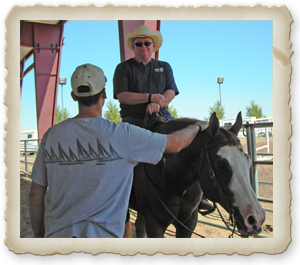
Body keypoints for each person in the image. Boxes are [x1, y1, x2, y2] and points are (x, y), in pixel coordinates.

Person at [29, 63, 202, 238]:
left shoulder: (51, 136)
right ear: (103, 94)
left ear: (74, 96)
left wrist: (38, 237)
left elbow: (35, 195)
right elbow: (176, 144)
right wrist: (199, 126)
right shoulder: (122, 134)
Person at [113, 25, 179, 127]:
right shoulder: (123, 67)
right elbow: (122, 96)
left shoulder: (164, 66)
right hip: (133, 120)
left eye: (147, 43)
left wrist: (157, 103)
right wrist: (150, 98)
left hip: (162, 116)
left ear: (153, 46)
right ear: (133, 47)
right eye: (139, 44)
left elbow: (171, 91)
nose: (143, 46)